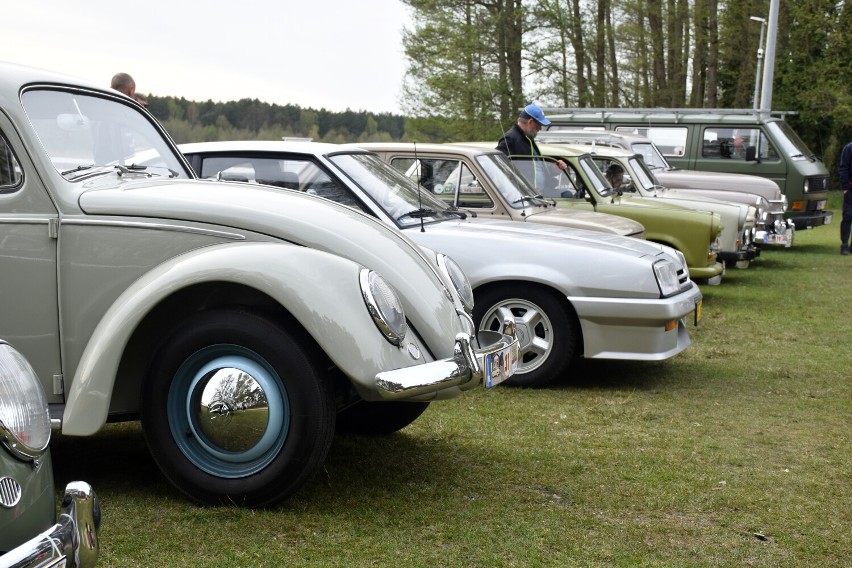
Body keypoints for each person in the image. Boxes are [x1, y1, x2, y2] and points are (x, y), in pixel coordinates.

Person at [497, 104, 566, 193]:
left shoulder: (529, 139)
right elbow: (496, 163)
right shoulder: (510, 138)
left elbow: (536, 168)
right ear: (530, 122)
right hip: (526, 196)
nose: (540, 128)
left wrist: (554, 169)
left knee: (567, 194)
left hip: (539, 192)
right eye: (539, 125)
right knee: (567, 195)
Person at [840, 140, 852, 255]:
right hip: (850, 189)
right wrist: (845, 186)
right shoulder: (849, 148)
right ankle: (844, 245)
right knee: (848, 215)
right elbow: (843, 168)